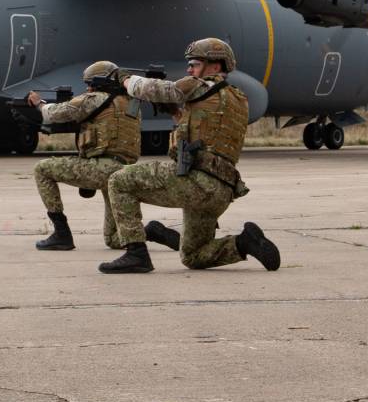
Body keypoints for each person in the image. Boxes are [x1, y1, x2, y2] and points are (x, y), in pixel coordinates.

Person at [99, 38, 280, 274]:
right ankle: (243, 243)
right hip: (222, 190)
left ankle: (136, 253)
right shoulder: (237, 98)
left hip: (197, 182)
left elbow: (157, 89)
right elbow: (205, 132)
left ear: (215, 67)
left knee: (118, 180)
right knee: (193, 256)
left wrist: (125, 79)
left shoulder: (200, 85)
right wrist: (176, 113)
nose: (189, 69)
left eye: (194, 63)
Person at [27, 61, 141, 251]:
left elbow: (55, 113)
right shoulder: (132, 104)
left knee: (42, 169)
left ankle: (61, 233)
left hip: (103, 169)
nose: (88, 88)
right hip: (125, 172)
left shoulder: (94, 99)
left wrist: (39, 103)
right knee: (114, 238)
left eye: (90, 84)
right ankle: (152, 230)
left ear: (100, 83)